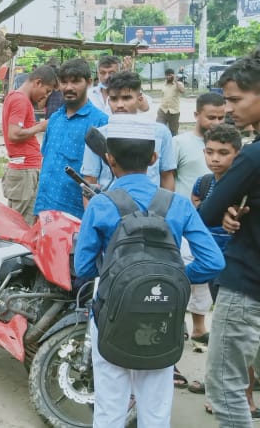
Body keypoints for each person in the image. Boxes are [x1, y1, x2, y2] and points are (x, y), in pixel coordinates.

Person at [74, 116, 223, 428]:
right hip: (164, 315)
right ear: (154, 159)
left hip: (109, 314)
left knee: (109, 405)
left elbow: (84, 267)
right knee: (155, 409)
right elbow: (213, 262)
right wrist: (176, 278)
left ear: (109, 159)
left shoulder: (101, 204)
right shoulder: (178, 204)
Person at [202, 56, 260, 426]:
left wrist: (227, 208)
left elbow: (207, 212)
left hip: (246, 285)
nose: (227, 109)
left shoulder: (252, 156)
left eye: (236, 99)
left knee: (226, 388)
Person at [187, 123, 241, 347]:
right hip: (209, 258)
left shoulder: (243, 184)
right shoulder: (204, 182)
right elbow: (196, 205)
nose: (215, 159)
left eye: (223, 153)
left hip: (235, 262)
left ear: (238, 155)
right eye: (210, 152)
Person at [34, 59, 109, 219]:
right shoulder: (54, 119)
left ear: (89, 82)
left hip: (77, 215)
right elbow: (46, 163)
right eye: (64, 82)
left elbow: (106, 177)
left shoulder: (100, 122)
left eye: (75, 82)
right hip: (44, 209)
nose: (68, 87)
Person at [82, 72, 176, 192]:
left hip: (151, 207)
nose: (119, 105)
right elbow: (90, 181)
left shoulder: (160, 133)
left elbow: (167, 176)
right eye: (114, 99)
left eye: (126, 98)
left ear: (140, 99)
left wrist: (165, 209)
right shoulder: (97, 136)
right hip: (110, 207)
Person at [1, 64, 58, 223]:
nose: (45, 96)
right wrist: (40, 126)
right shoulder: (20, 100)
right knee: (22, 225)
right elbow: (14, 134)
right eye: (46, 91)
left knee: (21, 220)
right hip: (25, 170)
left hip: (24, 169)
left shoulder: (16, 97)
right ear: (38, 82)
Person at [173, 92, 227, 207]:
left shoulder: (229, 145)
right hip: (186, 213)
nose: (217, 123)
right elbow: (167, 178)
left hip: (215, 214)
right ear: (196, 115)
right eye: (211, 118)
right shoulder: (179, 143)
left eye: (221, 118)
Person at [157, 68, 185, 136]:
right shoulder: (163, 84)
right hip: (163, 110)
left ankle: (172, 145)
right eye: (167, 75)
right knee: (159, 129)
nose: (168, 77)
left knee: (173, 132)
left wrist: (176, 81)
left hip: (174, 112)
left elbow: (182, 91)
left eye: (170, 75)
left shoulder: (179, 83)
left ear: (173, 75)